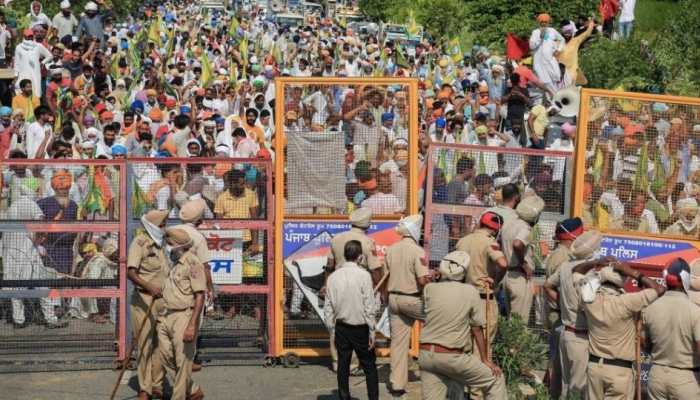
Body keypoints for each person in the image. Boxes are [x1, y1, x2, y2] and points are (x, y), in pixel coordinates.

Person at [419, 251, 507, 400]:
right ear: (464, 272)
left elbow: (425, 314)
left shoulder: (429, 289)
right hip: (453, 357)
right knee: (496, 379)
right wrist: (485, 360)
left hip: (426, 356)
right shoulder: (470, 292)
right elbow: (477, 329)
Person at [582, 262, 665, 400]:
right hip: (619, 371)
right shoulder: (626, 302)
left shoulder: (589, 301)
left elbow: (584, 281)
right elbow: (659, 289)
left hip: (594, 367)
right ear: (621, 282)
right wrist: (632, 272)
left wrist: (600, 271)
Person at [544, 230, 607, 399]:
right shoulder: (590, 274)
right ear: (592, 252)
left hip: (566, 332)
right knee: (578, 388)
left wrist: (562, 304)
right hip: (580, 336)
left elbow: (547, 286)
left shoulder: (565, 267)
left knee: (566, 384)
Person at [323, 207, 382, 374]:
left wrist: (326, 285)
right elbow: (375, 268)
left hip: (337, 281)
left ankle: (338, 361)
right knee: (356, 322)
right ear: (368, 224)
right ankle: (353, 365)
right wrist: (380, 290)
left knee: (337, 322)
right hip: (358, 282)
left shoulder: (336, 239)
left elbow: (329, 265)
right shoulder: (367, 242)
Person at [323, 240, 380, 400]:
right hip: (361, 327)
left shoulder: (333, 277)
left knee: (343, 365)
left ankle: (344, 396)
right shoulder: (364, 276)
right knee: (369, 366)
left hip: (341, 326)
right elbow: (369, 305)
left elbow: (328, 306)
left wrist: (332, 329)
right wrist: (372, 330)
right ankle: (373, 397)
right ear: (360, 257)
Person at [385, 214, 431, 397]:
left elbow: (385, 275)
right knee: (440, 320)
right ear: (416, 232)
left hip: (393, 299)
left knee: (398, 344)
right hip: (412, 299)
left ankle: (397, 385)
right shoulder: (418, 251)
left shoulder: (391, 249)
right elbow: (422, 279)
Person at [157, 228, 206, 400]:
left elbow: (200, 295)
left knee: (183, 361)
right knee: (164, 356)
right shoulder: (173, 261)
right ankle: (192, 389)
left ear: (179, 245)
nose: (167, 247)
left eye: (170, 244)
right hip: (165, 315)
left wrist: (192, 324)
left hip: (184, 316)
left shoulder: (193, 263)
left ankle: (178, 397)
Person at [642, 258, 700, 400]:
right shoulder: (695, 311)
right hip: (686, 379)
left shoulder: (650, 308)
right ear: (686, 279)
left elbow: (645, 344)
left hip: (657, 376)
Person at [127, 209, 169, 400]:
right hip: (144, 301)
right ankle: (145, 387)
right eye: (162, 224)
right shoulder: (140, 243)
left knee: (161, 344)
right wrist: (149, 286)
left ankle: (157, 384)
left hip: (164, 302)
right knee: (144, 344)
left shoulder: (163, 244)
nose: (164, 227)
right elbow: (131, 272)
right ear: (153, 226)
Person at [543, 217, 584, 398]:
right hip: (560, 317)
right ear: (574, 236)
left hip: (559, 315)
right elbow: (559, 288)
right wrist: (566, 305)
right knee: (561, 374)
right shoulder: (564, 257)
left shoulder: (560, 253)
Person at [501, 194, 545, 322]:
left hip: (508, 275)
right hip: (520, 277)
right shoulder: (525, 227)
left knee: (512, 321)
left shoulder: (510, 223)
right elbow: (517, 244)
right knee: (518, 325)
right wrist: (524, 264)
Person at [529, 13, 565, 94]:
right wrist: (540, 38)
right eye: (542, 22)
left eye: (546, 22)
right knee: (545, 81)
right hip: (539, 62)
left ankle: (556, 96)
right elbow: (531, 46)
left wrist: (558, 50)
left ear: (548, 22)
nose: (544, 23)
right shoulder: (535, 32)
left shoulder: (552, 31)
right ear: (539, 22)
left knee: (556, 77)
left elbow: (562, 40)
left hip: (550, 60)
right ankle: (554, 97)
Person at [14, 29, 51, 98]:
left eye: (31, 36)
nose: (30, 38)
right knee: (23, 93)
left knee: (36, 92)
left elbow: (49, 56)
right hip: (23, 73)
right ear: (24, 36)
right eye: (28, 36)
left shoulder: (38, 46)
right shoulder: (18, 47)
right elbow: (16, 63)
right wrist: (16, 75)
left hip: (35, 73)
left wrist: (42, 62)